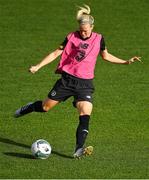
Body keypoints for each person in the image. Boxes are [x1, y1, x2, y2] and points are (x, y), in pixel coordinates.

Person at [14, 5, 141, 158]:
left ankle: (78, 149)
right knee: (45, 107)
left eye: (86, 30)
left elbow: (106, 56)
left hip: (85, 85)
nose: (83, 32)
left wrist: (125, 62)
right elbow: (56, 53)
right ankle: (29, 107)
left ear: (92, 27)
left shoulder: (99, 38)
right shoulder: (71, 37)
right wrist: (38, 66)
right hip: (67, 81)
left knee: (85, 114)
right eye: (81, 30)